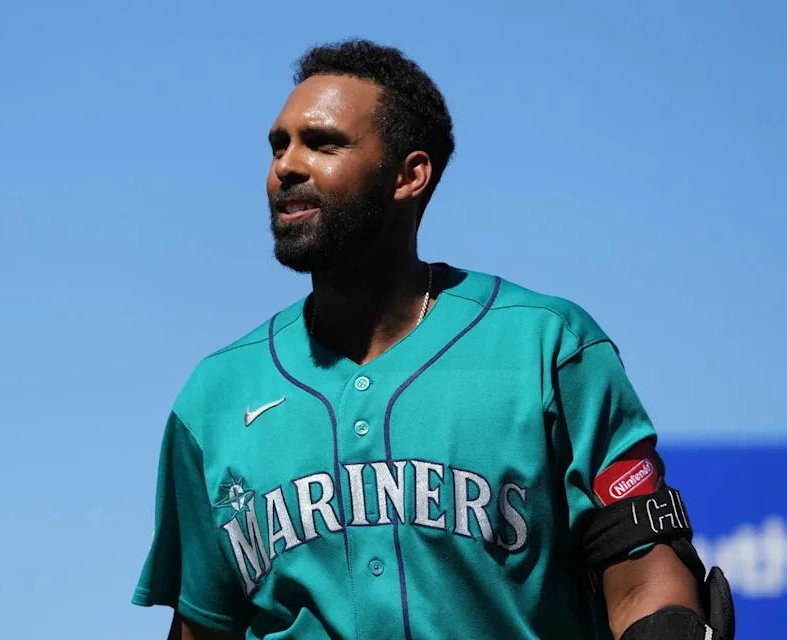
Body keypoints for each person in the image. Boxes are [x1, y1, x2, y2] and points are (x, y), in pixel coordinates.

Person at [132, 40, 732, 640]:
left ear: (409, 175)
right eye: (279, 144)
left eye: (323, 143)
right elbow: (202, 626)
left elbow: (645, 576)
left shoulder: (548, 347)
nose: (286, 165)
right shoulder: (215, 396)